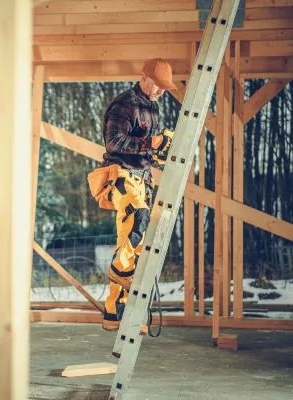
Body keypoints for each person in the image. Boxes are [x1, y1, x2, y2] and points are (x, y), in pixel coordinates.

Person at [87, 58, 176, 333]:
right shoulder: (124, 104)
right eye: (158, 85)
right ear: (144, 77)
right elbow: (115, 142)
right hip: (121, 175)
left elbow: (145, 151)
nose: (161, 91)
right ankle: (120, 274)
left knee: (133, 242)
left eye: (164, 87)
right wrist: (153, 142)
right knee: (138, 220)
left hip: (142, 180)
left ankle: (115, 310)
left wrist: (161, 149)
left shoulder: (153, 106)